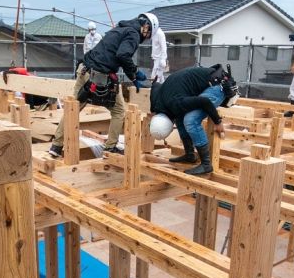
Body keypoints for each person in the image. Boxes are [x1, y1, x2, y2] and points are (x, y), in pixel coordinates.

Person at [48, 13, 152, 158]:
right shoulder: (133, 33)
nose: (146, 38)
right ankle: (110, 148)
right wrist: (134, 73)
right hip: (99, 76)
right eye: (148, 35)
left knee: (73, 107)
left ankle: (56, 146)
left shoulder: (120, 29)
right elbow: (123, 55)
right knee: (119, 111)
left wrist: (132, 74)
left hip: (84, 69)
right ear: (146, 26)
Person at [150, 64, 237, 175]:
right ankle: (190, 155)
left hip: (218, 86)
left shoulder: (176, 103)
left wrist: (218, 121)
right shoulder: (156, 103)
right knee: (179, 116)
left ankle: (206, 164)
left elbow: (205, 102)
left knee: (190, 120)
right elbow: (155, 85)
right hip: (209, 80)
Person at [149, 13, 168, 83]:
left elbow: (164, 47)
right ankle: (164, 91)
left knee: (154, 79)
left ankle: (156, 92)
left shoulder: (160, 34)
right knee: (160, 79)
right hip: (156, 59)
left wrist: (163, 59)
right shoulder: (153, 33)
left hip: (159, 60)